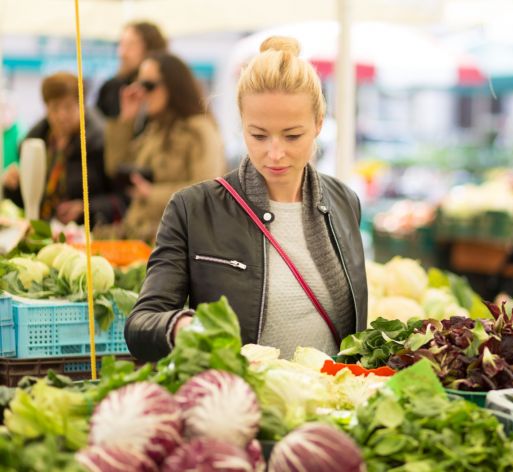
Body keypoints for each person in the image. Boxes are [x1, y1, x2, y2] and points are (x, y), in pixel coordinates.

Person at [125, 36, 367, 363]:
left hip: (330, 405)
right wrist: (181, 326)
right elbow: (141, 324)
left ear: (319, 124)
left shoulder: (344, 202)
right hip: (240, 403)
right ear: (242, 124)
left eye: (293, 135)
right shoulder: (193, 209)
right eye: (259, 135)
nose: (275, 153)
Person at [103, 51, 226, 241]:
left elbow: (207, 192)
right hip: (140, 237)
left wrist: (151, 193)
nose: (142, 93)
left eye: (149, 85)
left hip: (176, 243)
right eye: (139, 84)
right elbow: (115, 168)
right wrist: (126, 120)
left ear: (173, 86)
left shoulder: (199, 130)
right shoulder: (155, 128)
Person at [3, 72, 122, 225]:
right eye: (54, 108)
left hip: (87, 234)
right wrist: (14, 186)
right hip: (43, 230)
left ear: (82, 105)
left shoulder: (100, 143)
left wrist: (86, 209)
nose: (61, 115)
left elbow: (121, 199)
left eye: (68, 107)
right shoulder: (35, 143)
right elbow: (29, 204)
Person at [96, 21, 167, 120]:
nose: (122, 53)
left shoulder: (162, 89)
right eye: (121, 44)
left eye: (131, 45)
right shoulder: (111, 88)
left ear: (150, 49)